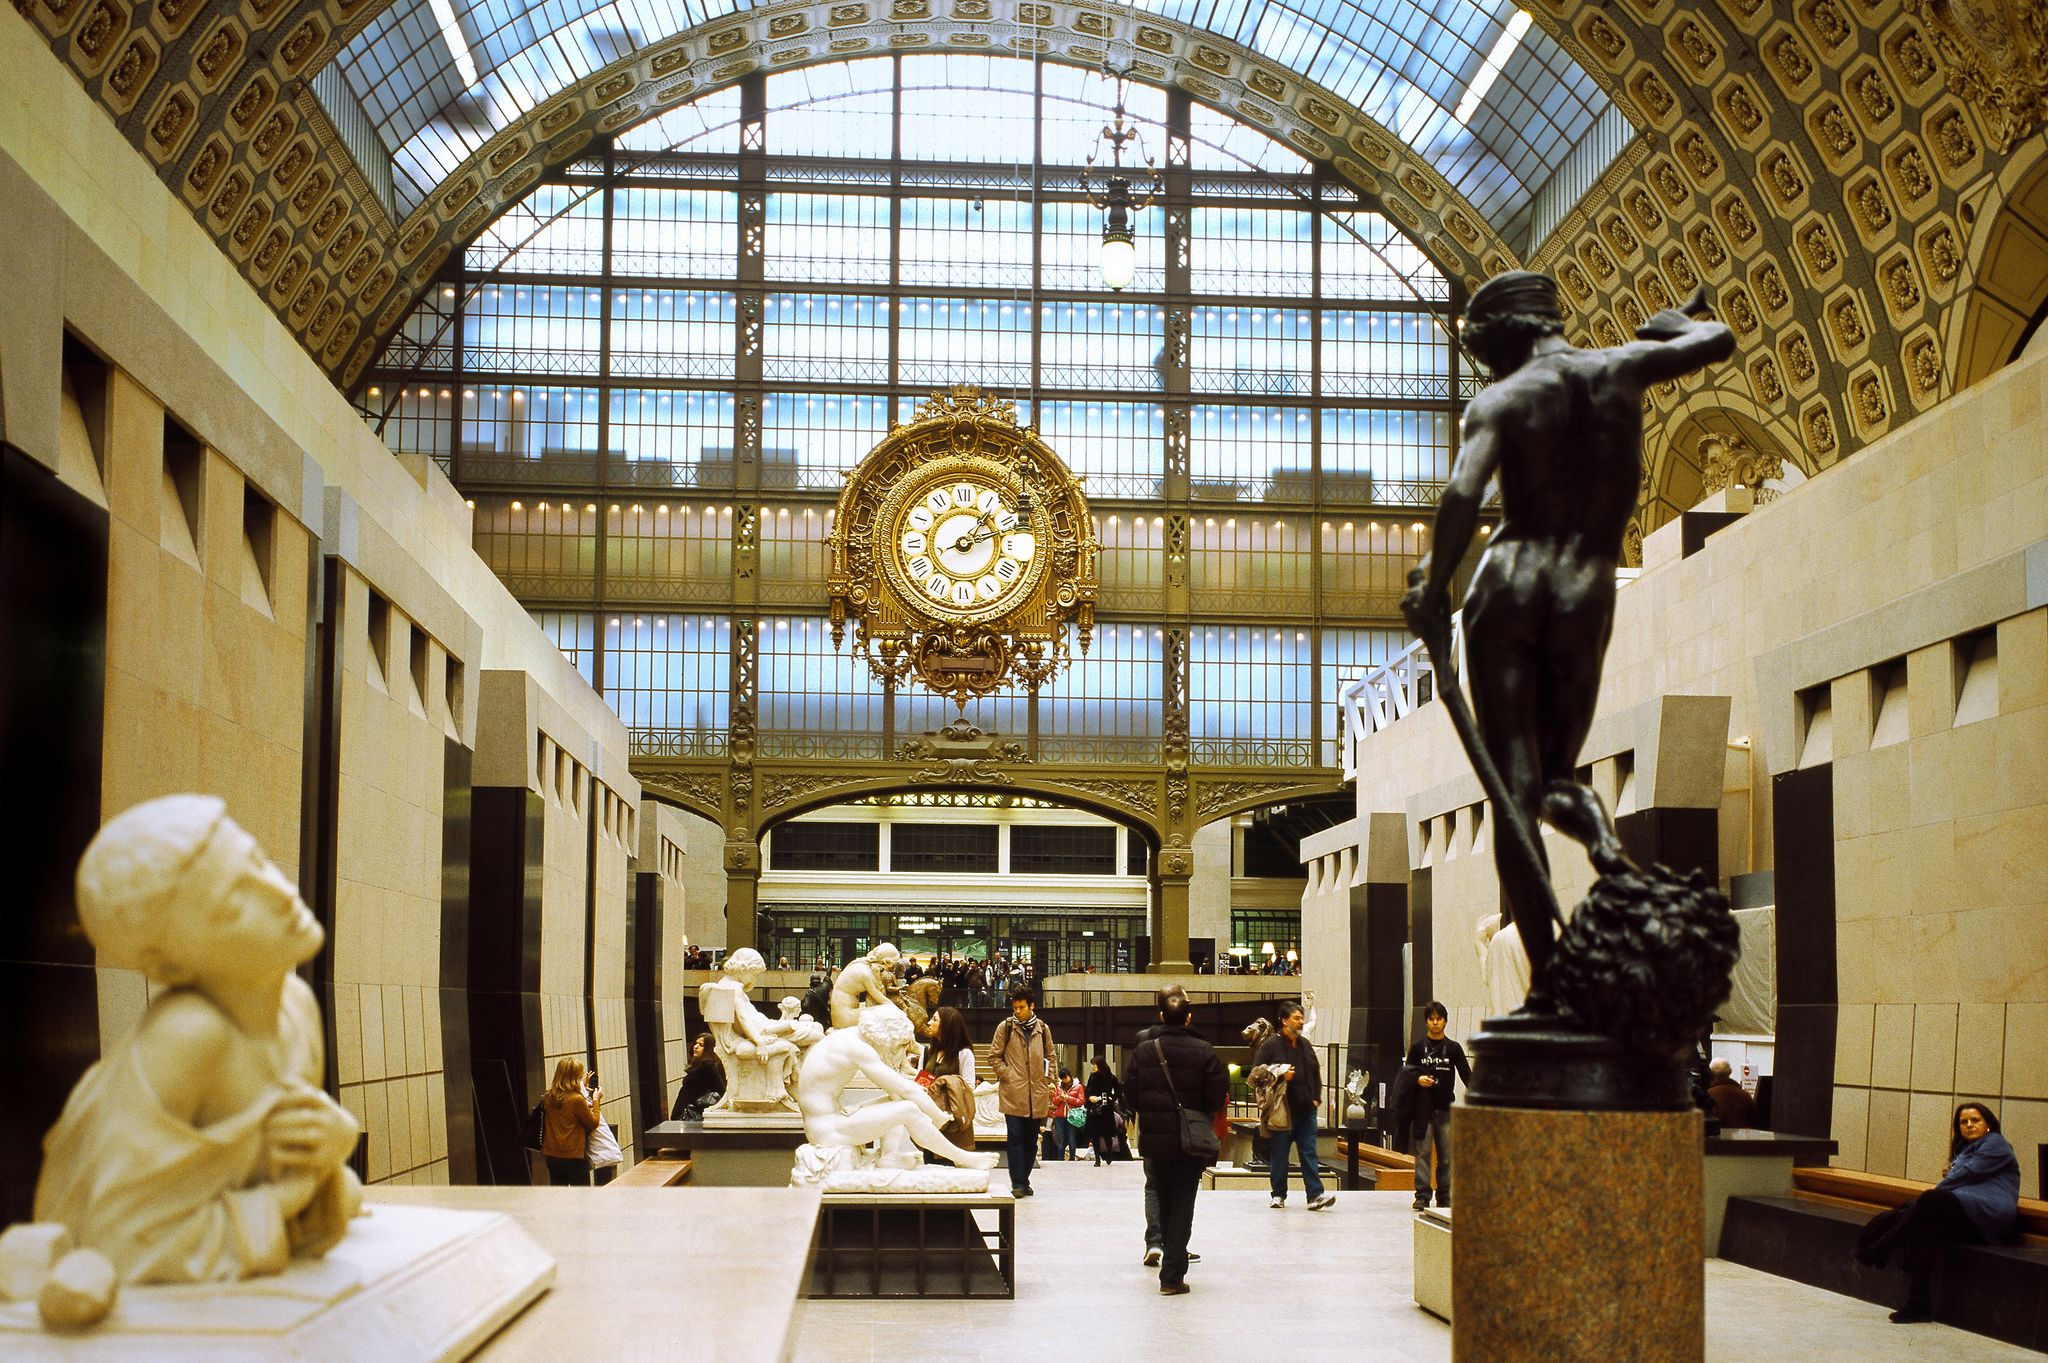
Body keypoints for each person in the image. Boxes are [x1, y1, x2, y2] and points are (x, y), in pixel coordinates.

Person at [1401, 272, 1734, 995]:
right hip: (1587, 591)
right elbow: (1718, 338)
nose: (1486, 369)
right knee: (1554, 778)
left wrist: (1433, 582)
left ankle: (1547, 983)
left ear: (1505, 338)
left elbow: (1465, 491)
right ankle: (1605, 844)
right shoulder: (1621, 367)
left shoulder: (1502, 400)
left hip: (1510, 587)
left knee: (1517, 792)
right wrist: (1671, 324)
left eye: (1484, 353)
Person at [33, 796, 361, 1288]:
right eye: (232, 904)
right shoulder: (188, 1036)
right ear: (170, 968)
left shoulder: (296, 1006)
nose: (276, 893)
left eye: (258, 861)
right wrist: (286, 1201)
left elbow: (260, 1175)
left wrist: (332, 1144)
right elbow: (117, 1244)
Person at [1855, 1101, 2020, 1323]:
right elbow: (1957, 1177)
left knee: (1930, 1200)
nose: (1969, 1125)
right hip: (1969, 1213)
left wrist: (1925, 1200)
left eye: (1975, 1120)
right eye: (1963, 1121)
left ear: (1988, 1124)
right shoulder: (1963, 1151)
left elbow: (1964, 1175)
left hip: (1991, 1213)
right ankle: (1918, 1304)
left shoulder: (1996, 1143)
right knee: (1924, 1230)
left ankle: (1884, 1246)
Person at [1120, 986, 1228, 1295]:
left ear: (1162, 1016)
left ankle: (1166, 1254)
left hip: (1155, 1138)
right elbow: (1216, 1095)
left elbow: (1131, 1092)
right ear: (1189, 1017)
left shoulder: (1145, 1050)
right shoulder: (1205, 1050)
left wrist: (1152, 1113)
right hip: (1190, 1141)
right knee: (1183, 1201)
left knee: (1163, 1197)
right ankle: (1172, 1275)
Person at [1254, 999, 1335, 1211]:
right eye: (1296, 1018)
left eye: (1301, 1018)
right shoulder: (1271, 1045)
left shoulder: (1305, 1045)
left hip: (1307, 1109)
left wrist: (1316, 1097)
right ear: (1284, 1020)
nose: (1300, 1022)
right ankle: (1278, 1194)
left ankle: (1315, 1195)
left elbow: (1315, 1072)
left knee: (1309, 1151)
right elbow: (1256, 1074)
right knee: (1280, 1154)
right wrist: (1280, 1074)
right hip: (1283, 1110)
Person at [989, 982, 1055, 1198]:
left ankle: (1024, 1179)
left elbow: (1051, 1057)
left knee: (1030, 1141)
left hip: (1036, 1094)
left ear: (1031, 1006)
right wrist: (1009, 1075)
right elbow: (994, 1057)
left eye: (1021, 1008)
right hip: (1013, 1094)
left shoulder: (1043, 1030)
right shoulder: (1006, 1027)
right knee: (1015, 1138)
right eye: (1015, 1008)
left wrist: (1048, 1078)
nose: (1017, 1012)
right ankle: (1018, 1182)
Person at [1405, 1001, 1473, 1210]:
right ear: (1426, 1022)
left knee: (1446, 1154)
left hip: (1445, 1108)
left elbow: (1467, 1075)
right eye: (1431, 1019)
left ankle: (1445, 1194)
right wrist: (1418, 1080)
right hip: (1423, 1109)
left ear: (1445, 1021)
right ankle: (1423, 1194)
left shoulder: (1453, 1048)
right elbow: (1407, 1074)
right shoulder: (1417, 1048)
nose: (1435, 1023)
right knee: (1423, 1153)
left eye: (1439, 1019)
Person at [922, 1006, 978, 1156]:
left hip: (953, 1120)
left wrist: (942, 1083)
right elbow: (922, 1081)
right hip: (930, 1119)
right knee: (929, 1167)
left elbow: (968, 1088)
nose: (929, 1022)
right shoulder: (928, 1051)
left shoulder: (964, 1054)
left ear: (947, 1025)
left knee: (952, 1164)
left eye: (934, 1019)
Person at [539, 1057, 602, 1186]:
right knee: (581, 1199)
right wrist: (596, 1100)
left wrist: (582, 1088)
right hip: (573, 1155)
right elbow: (593, 1123)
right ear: (574, 1077)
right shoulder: (576, 1100)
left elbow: (565, 1114)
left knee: (559, 1196)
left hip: (552, 1155)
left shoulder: (549, 1096)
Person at [669, 1032, 725, 1120]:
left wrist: (702, 1105)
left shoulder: (708, 1066)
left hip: (690, 1115)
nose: (696, 1047)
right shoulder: (698, 1065)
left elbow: (721, 1090)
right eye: (695, 1043)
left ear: (708, 1049)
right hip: (683, 1114)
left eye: (701, 1045)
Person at [1084, 1055, 1122, 1166]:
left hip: (1106, 1109)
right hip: (1094, 1109)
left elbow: (1118, 1092)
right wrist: (1090, 1097)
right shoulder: (1092, 1077)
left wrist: (1111, 1098)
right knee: (1095, 1135)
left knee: (1107, 1134)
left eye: (1094, 1065)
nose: (1092, 1067)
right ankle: (1097, 1158)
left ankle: (1109, 1154)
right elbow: (1088, 1090)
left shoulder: (1111, 1078)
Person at [1704, 1058, 1756, 1130]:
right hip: (1740, 1139)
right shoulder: (1744, 1095)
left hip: (1715, 1139)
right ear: (1730, 1071)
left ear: (1711, 1073)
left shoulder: (1707, 1095)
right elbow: (1754, 1122)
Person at [1049, 1068, 1086, 1161]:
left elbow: (1080, 1101)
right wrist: (1060, 1098)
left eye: (1066, 1077)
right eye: (1063, 1078)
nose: (1065, 1080)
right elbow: (1054, 1102)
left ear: (1070, 1076)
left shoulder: (1078, 1087)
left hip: (1072, 1116)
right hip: (1060, 1116)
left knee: (1071, 1138)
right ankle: (1060, 1159)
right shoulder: (1058, 1087)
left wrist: (1068, 1098)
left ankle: (1072, 1158)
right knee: (1060, 1139)